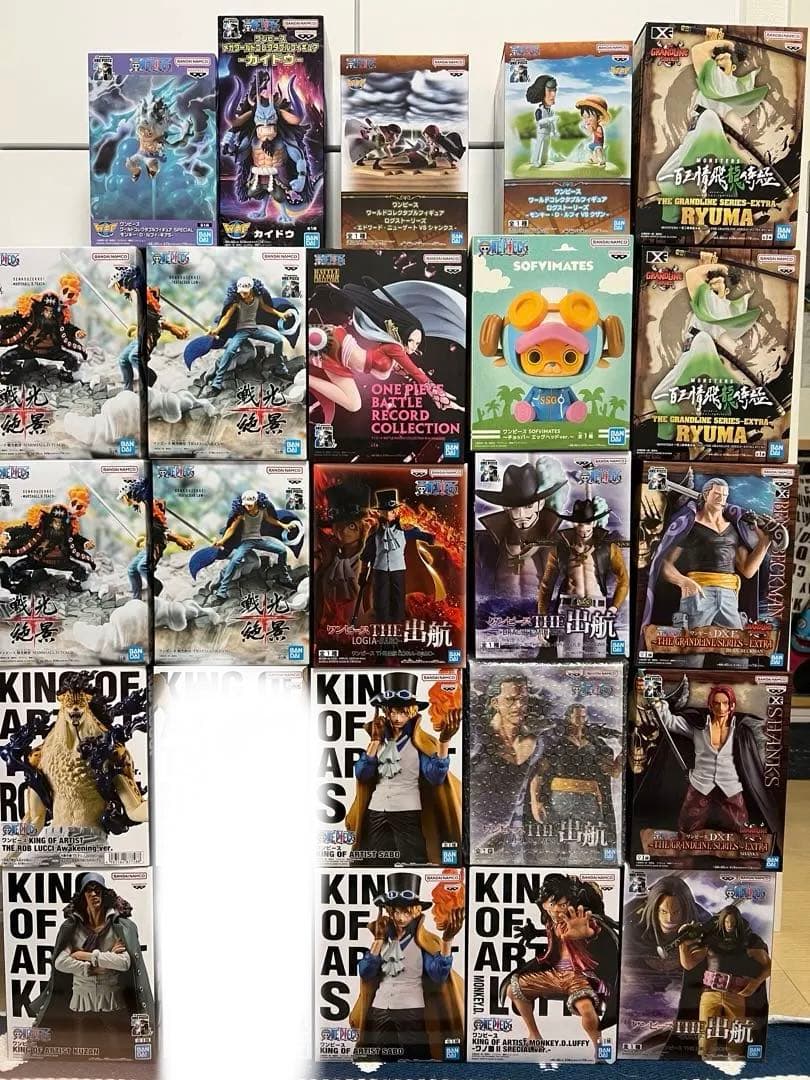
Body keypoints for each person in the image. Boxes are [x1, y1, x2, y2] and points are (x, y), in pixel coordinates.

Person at [642, 477, 779, 667]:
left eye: (724, 495)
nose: (721, 499)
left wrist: (764, 543)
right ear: (706, 495)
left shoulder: (733, 530)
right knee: (690, 655)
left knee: (737, 657)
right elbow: (664, 563)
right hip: (699, 593)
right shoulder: (691, 525)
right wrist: (684, 582)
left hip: (729, 596)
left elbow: (747, 570)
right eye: (717, 494)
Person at [632, 678, 777, 846]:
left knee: (742, 829)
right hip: (700, 785)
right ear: (710, 705)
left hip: (730, 787)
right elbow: (668, 721)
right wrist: (653, 695)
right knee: (686, 830)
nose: (720, 708)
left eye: (725, 703)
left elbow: (749, 761)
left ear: (731, 706)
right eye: (716, 703)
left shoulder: (739, 731)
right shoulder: (698, 727)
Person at [31, 872, 155, 1060]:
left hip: (112, 1003)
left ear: (105, 894)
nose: (94, 894)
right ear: (83, 896)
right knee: (80, 1056)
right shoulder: (72, 928)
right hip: (81, 1004)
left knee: (121, 1055)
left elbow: (124, 962)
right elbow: (60, 962)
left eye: (98, 890)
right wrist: (91, 968)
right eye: (89, 890)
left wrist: (86, 955)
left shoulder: (119, 926)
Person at [501, 873, 619, 1061]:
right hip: (554, 973)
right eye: (551, 904)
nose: (556, 910)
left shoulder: (579, 919)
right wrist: (534, 933)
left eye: (562, 905)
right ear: (544, 904)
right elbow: (553, 935)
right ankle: (535, 1036)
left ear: (570, 903)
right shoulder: (550, 922)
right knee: (513, 989)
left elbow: (594, 930)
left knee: (586, 1009)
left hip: (578, 976)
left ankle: (600, 1049)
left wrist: (586, 933)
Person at [346, 672, 461, 864]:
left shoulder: (420, 742)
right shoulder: (379, 738)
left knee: (413, 859)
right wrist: (374, 741)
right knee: (373, 861)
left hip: (407, 810)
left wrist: (444, 742)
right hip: (377, 809)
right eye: (393, 712)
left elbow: (435, 777)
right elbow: (362, 774)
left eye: (403, 713)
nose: (397, 718)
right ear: (386, 712)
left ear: (412, 712)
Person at [351, 872, 464, 1061]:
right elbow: (365, 972)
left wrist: (447, 941)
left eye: (406, 912)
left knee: (415, 1056)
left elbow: (438, 975)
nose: (401, 918)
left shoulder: (424, 941)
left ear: (416, 912)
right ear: (389, 911)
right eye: (396, 912)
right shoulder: (382, 937)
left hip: (410, 1008)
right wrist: (378, 940)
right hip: (380, 1007)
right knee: (378, 1057)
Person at [538, 495, 628, 659]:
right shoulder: (560, 549)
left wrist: (614, 607)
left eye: (588, 523)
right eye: (580, 524)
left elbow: (623, 579)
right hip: (570, 610)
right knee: (569, 661)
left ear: (594, 523)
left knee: (597, 661)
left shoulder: (609, 548)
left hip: (597, 611)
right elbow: (546, 585)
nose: (584, 528)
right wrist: (543, 616)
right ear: (574, 524)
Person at [528, 703, 621, 860]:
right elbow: (539, 774)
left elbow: (613, 772)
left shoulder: (595, 744)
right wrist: (535, 801)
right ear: (568, 717)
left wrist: (625, 752)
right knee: (555, 847)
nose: (580, 720)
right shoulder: (556, 742)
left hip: (588, 800)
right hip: (559, 799)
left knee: (589, 850)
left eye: (583, 717)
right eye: (577, 717)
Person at [677, 905, 771, 1060]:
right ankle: (706, 1063)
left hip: (736, 992)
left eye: (733, 922)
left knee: (736, 1041)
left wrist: (755, 983)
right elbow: (688, 964)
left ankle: (734, 1061)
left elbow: (768, 966)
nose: (730, 925)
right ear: (722, 922)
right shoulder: (711, 940)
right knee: (706, 1039)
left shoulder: (749, 940)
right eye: (727, 922)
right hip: (710, 992)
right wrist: (682, 943)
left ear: (738, 922)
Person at [469, 670, 544, 861]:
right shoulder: (477, 738)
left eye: (523, 699)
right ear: (495, 702)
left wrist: (535, 801)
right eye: (510, 700)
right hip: (473, 834)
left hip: (510, 836)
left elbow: (533, 772)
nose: (518, 706)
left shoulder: (535, 743)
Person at [475, 459, 566, 603]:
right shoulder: (484, 543)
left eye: (528, 506)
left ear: (540, 504)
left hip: (541, 613)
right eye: (514, 508)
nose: (521, 514)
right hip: (497, 612)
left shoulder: (560, 543)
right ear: (506, 508)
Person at [204, 276, 296, 395]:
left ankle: (280, 370)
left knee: (278, 340)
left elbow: (265, 307)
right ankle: (217, 382)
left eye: (245, 292)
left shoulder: (257, 298)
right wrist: (217, 329)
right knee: (230, 350)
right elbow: (226, 317)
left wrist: (280, 314)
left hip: (254, 329)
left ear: (251, 289)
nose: (243, 294)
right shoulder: (236, 302)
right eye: (241, 292)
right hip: (241, 331)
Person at [357, 489, 435, 624]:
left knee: (398, 602)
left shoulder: (405, 531)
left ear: (396, 512)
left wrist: (431, 538)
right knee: (380, 603)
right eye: (385, 511)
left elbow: (424, 536)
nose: (388, 514)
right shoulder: (375, 534)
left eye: (391, 511)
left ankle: (397, 626)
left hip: (398, 570)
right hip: (380, 571)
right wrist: (363, 574)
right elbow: (366, 556)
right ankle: (382, 627)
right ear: (380, 513)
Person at [210, 489, 300, 602]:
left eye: (250, 505)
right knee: (235, 560)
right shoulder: (241, 513)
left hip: (259, 539)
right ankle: (222, 590)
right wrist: (222, 541)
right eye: (245, 505)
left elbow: (269, 519)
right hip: (246, 542)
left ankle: (284, 578)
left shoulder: (262, 509)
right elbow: (231, 528)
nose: (247, 507)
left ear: (256, 502)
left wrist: (283, 525)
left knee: (282, 550)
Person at [525, 75, 557, 167]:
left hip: (548, 132)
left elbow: (552, 123)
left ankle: (544, 160)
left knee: (546, 147)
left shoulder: (551, 111)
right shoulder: (539, 110)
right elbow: (539, 122)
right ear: (542, 93)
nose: (553, 94)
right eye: (549, 91)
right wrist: (550, 119)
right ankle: (535, 160)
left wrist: (554, 131)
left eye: (554, 90)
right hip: (541, 133)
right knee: (539, 146)